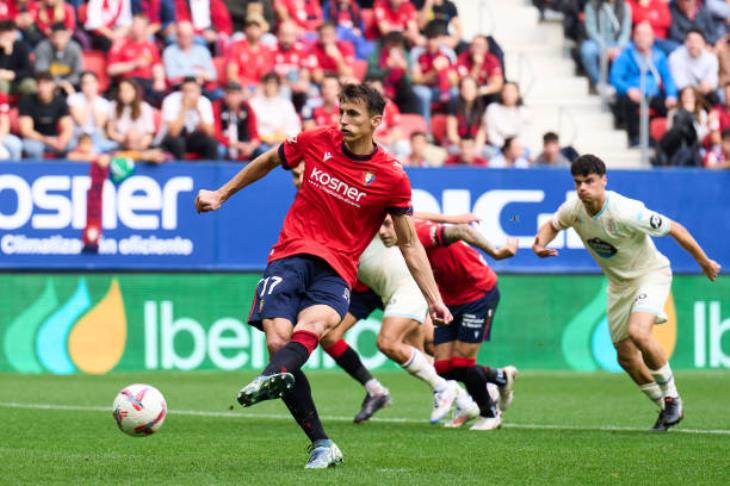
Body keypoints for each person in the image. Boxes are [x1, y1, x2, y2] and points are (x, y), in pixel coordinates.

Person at [195, 82, 452, 468]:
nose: (344, 121)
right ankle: (320, 442)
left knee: (316, 325)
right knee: (278, 341)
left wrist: (434, 299)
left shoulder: (391, 177)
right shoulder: (317, 141)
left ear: (376, 122)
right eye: (342, 112)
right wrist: (222, 193)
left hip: (338, 268)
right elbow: (269, 159)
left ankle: (271, 377)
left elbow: (409, 243)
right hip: (290, 254)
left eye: (353, 115)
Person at [532, 154, 721, 431]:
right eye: (578, 183)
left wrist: (704, 262)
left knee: (639, 333)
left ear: (603, 181)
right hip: (619, 285)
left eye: (589, 181)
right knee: (626, 357)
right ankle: (665, 407)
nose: (583, 188)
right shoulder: (574, 208)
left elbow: (675, 228)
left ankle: (672, 397)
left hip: (650, 275)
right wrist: (539, 245)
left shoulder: (625, 210)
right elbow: (552, 225)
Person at [389, 215, 519, 430]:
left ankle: (490, 414)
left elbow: (461, 231)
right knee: (442, 367)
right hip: (448, 300)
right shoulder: (401, 230)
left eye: (387, 225)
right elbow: (419, 214)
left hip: (477, 292)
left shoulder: (419, 233)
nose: (383, 232)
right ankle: (501, 377)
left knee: (462, 363)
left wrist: (496, 252)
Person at [610, 21, 677, 147]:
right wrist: (628, 89)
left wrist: (671, 95)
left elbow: (668, 78)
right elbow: (615, 78)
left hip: (653, 95)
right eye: (639, 34)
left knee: (671, 107)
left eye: (646, 35)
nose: (642, 38)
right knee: (628, 103)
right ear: (634, 37)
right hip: (632, 94)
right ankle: (635, 138)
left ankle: (663, 141)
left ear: (652, 38)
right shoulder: (626, 55)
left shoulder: (659, 56)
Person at [107, 14, 166, 104]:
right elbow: (111, 69)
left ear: (146, 29)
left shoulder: (150, 46)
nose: (135, 28)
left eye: (139, 26)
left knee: (160, 95)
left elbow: (157, 65)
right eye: (134, 25)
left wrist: (159, 80)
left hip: (146, 84)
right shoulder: (120, 44)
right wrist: (133, 64)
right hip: (127, 82)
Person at [410, 21, 458, 128]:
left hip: (441, 89)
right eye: (433, 38)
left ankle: (453, 129)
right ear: (427, 38)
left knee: (455, 92)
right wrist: (434, 72)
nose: (436, 42)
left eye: (440, 39)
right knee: (424, 93)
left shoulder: (448, 53)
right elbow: (415, 80)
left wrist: (447, 71)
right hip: (424, 88)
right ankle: (426, 131)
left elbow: (455, 82)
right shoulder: (417, 52)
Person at [158, 77, 218, 160]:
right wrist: (184, 108)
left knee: (211, 143)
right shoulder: (170, 100)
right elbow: (173, 133)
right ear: (181, 91)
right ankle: (181, 171)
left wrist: (198, 111)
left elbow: (210, 133)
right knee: (178, 142)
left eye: (192, 91)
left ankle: (209, 171)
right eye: (186, 91)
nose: (189, 94)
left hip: (192, 138)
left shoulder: (204, 102)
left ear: (199, 92)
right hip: (170, 139)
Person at [107, 78, 166, 163]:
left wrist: (138, 146)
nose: (124, 94)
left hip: (141, 144)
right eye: (122, 91)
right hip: (122, 145)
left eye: (127, 90)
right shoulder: (113, 107)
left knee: (158, 156)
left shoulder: (144, 107)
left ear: (135, 91)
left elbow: (149, 134)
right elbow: (111, 132)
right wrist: (126, 140)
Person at [580, 0, 633, 92]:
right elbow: (591, 29)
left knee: (631, 50)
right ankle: (599, 82)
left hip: (617, 42)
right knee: (587, 51)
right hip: (598, 42)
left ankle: (623, 84)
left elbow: (626, 30)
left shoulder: (625, 6)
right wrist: (605, 48)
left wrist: (618, 47)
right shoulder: (592, 5)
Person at [19, 71, 73, 158]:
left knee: (70, 144)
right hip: (35, 139)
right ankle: (36, 171)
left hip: (55, 137)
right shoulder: (27, 101)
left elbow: (68, 128)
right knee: (33, 148)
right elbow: (26, 131)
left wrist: (62, 140)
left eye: (46, 84)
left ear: (53, 85)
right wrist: (46, 140)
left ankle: (61, 170)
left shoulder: (61, 101)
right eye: (39, 84)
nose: (42, 88)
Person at [67, 71, 117, 153]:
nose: (89, 86)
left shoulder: (104, 102)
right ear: (81, 86)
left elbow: (99, 124)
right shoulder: (73, 99)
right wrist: (88, 101)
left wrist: (93, 100)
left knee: (109, 146)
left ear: (97, 84)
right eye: (86, 83)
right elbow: (81, 122)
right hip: (79, 135)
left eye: (92, 83)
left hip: (96, 136)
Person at [249, 72, 301, 151]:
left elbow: (294, 127)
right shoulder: (254, 103)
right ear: (263, 85)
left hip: (283, 142)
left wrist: (282, 136)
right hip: (262, 143)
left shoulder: (286, 104)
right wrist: (269, 136)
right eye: (268, 84)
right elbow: (253, 127)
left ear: (278, 86)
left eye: (274, 84)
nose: (271, 87)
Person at [668, 28, 719, 105]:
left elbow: (713, 80)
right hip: (683, 93)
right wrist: (697, 88)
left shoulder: (711, 58)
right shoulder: (675, 56)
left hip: (703, 93)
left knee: (715, 97)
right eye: (690, 41)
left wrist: (708, 85)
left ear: (703, 43)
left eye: (697, 41)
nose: (693, 45)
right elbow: (678, 83)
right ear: (685, 43)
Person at [214, 81, 261, 160]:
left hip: (245, 144)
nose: (233, 98)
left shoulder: (247, 108)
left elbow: (255, 135)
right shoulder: (217, 106)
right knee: (219, 150)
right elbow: (216, 133)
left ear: (241, 95)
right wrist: (237, 145)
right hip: (226, 144)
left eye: (236, 94)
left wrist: (251, 147)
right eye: (230, 94)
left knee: (262, 151)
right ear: (225, 95)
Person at [162, 21, 217, 90]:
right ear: (177, 36)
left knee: (219, 94)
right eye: (182, 36)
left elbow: (212, 74)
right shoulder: (169, 52)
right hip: (179, 89)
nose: (186, 39)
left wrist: (188, 73)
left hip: (202, 87)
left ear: (193, 36)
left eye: (189, 36)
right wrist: (196, 74)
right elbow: (172, 75)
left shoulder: (202, 51)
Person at [226, 14, 274, 90]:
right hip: (240, 89)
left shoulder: (266, 51)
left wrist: (259, 90)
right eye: (250, 26)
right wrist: (243, 88)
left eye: (256, 27)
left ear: (262, 30)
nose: (253, 30)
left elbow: (265, 77)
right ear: (245, 29)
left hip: (259, 90)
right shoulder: (236, 47)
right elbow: (232, 75)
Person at [33, 22, 83, 96]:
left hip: (71, 83)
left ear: (67, 36)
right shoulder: (43, 48)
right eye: (56, 36)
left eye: (62, 36)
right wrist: (58, 83)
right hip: (49, 83)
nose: (59, 40)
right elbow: (41, 72)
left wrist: (66, 83)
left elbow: (78, 72)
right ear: (51, 37)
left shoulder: (75, 48)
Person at [482, 81, 531, 154]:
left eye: (512, 91)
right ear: (501, 93)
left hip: (518, 147)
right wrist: (505, 147)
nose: (509, 94)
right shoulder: (492, 109)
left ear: (518, 94)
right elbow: (491, 133)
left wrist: (514, 146)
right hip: (497, 147)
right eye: (506, 91)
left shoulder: (524, 112)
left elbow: (526, 134)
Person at [456, 35, 503, 105]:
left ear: (486, 48)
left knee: (495, 95)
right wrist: (477, 65)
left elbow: (497, 84)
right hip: (467, 91)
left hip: (483, 91)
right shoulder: (462, 58)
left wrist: (481, 91)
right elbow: (466, 83)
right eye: (474, 45)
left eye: (480, 46)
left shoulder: (492, 60)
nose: (476, 48)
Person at [446, 76, 486, 151]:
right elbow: (452, 134)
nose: (467, 91)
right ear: (460, 90)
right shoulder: (454, 105)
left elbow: (482, 131)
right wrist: (464, 146)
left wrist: (477, 147)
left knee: (491, 153)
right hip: (458, 145)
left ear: (477, 90)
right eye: (464, 88)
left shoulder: (481, 106)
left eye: (471, 88)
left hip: (475, 145)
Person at [0, 19, 34, 95]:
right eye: (4, 35)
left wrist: (13, 74)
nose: (8, 38)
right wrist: (6, 53)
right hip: (2, 82)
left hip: (18, 80)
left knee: (30, 85)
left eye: (11, 34)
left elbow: (28, 70)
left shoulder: (21, 47)